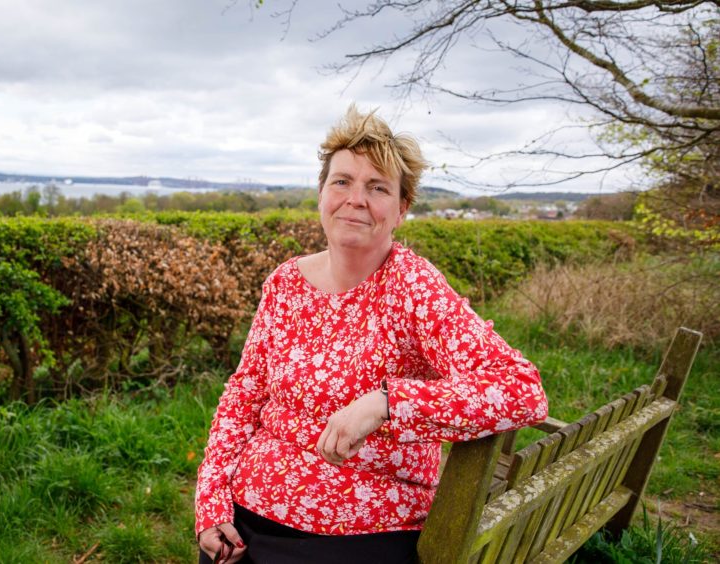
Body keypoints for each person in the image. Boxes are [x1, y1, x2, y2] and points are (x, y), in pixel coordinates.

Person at [195, 105, 548, 564]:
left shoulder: (414, 288)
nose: (355, 198)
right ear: (321, 193)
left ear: (400, 209)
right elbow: (244, 394)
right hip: (245, 520)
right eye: (342, 181)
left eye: (377, 187)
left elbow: (522, 389)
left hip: (362, 531)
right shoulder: (285, 283)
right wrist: (211, 501)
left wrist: (385, 403)